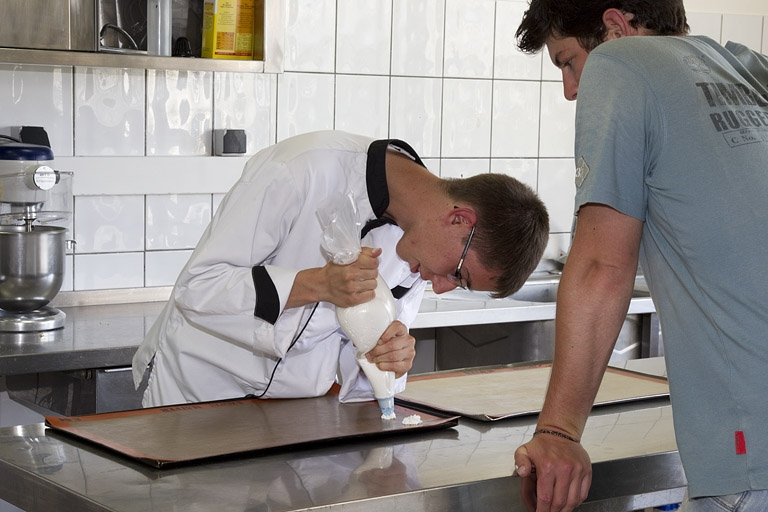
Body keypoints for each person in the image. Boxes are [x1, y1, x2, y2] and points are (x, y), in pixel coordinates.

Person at [512, 1, 768, 511]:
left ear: (615, 27)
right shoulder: (747, 67)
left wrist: (559, 432)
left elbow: (602, 265)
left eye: (567, 62)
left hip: (748, 448)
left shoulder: (619, 62)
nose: (570, 89)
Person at [132, 130, 549, 409]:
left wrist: (389, 362)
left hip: (286, 421)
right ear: (459, 220)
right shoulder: (302, 170)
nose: (440, 287)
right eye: (458, 275)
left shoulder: (419, 249)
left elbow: (358, 371)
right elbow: (197, 288)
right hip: (195, 399)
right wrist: (316, 284)